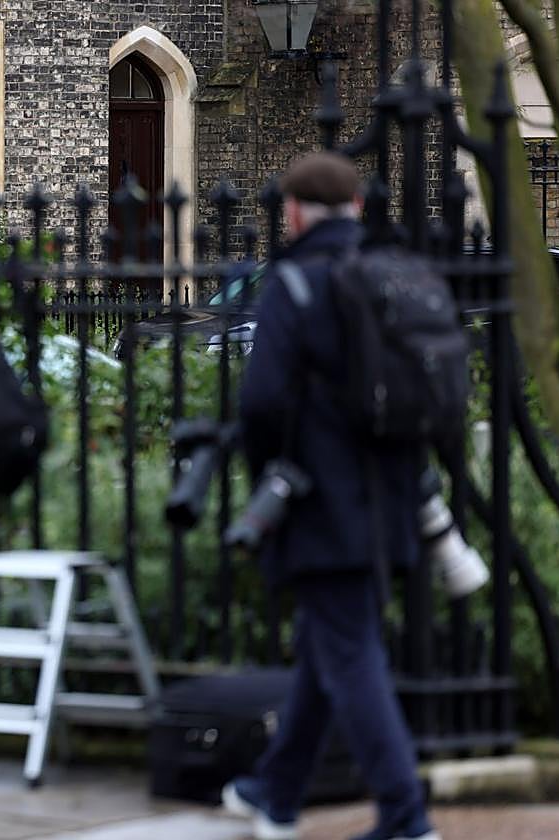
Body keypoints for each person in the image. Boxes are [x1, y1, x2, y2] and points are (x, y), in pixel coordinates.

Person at [221, 152, 439, 840]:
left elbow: (259, 403)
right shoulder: (391, 275)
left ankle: (406, 819)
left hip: (322, 500)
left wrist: (271, 478)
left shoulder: (296, 282)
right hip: (394, 494)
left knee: (350, 656)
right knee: (330, 644)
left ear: (292, 213)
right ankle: (276, 795)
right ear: (357, 210)